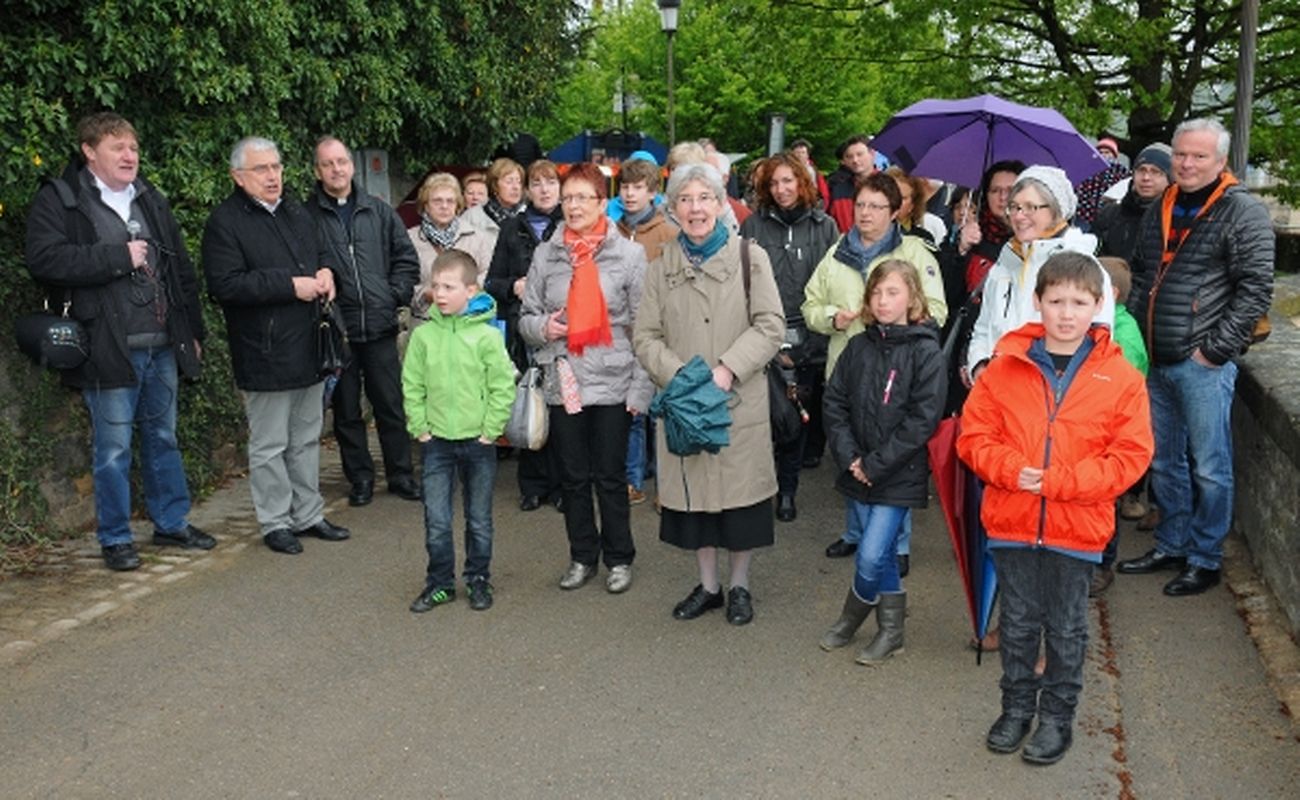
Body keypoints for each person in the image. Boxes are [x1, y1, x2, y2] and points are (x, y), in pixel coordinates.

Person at [958, 252, 1152, 765]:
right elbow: (973, 437)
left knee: (1066, 628)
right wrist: (1005, 469)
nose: (1067, 313)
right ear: (1038, 303)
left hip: (1078, 526)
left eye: (1080, 302)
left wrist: (1060, 482)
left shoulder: (1121, 378)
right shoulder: (1003, 369)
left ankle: (1057, 718)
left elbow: (1130, 457)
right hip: (1013, 520)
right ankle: (1016, 708)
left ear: (1098, 307)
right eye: (1057, 301)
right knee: (1019, 623)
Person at [25, 112, 213, 571]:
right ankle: (115, 538)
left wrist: (191, 331)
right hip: (106, 345)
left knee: (164, 438)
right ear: (90, 152)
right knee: (113, 449)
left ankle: (171, 523)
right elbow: (44, 259)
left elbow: (180, 269)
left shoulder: (149, 197)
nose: (130, 156)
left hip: (162, 343)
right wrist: (116, 257)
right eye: (117, 148)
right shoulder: (62, 199)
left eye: (133, 147)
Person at [1117, 118, 1275, 596]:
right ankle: (1172, 543)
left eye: (1198, 156)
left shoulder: (1241, 211)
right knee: (1164, 461)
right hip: (1157, 357)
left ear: (1221, 161)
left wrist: (1214, 351)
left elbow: (1255, 291)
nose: (1185, 163)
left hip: (1200, 361)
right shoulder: (1161, 204)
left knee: (1209, 465)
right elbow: (1143, 273)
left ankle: (1205, 558)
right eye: (1180, 155)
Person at [634, 162, 785, 625]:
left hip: (738, 402)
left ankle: (739, 587)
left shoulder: (749, 258)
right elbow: (644, 337)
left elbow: (771, 325)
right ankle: (709, 587)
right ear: (673, 208)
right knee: (694, 503)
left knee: (740, 502)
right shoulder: (660, 269)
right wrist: (681, 377)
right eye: (685, 199)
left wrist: (726, 370)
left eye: (704, 198)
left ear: (721, 205)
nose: (695, 208)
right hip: (684, 406)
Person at [202, 136, 350, 555]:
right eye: (262, 169)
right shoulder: (225, 222)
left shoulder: (296, 212)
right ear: (238, 177)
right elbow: (225, 285)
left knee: (306, 437)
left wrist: (326, 273)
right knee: (269, 444)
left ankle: (308, 514)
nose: (273, 176)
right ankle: (275, 522)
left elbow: (322, 253)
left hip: (308, 345)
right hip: (263, 350)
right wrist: (289, 286)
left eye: (277, 167)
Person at [518, 162, 653, 594]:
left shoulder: (628, 255)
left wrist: (640, 389)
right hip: (565, 378)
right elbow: (526, 318)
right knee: (573, 476)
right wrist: (545, 329)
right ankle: (581, 556)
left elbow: (644, 328)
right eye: (567, 197)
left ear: (601, 203)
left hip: (614, 380)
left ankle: (619, 558)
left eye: (583, 197)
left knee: (610, 476)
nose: (573, 206)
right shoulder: (547, 252)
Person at [802, 172, 946, 561]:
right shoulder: (836, 252)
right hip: (847, 369)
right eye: (860, 204)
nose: (864, 213)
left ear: (895, 211)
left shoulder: (914, 254)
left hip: (897, 377)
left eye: (875, 206)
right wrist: (832, 318)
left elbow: (940, 311)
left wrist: (901, 325)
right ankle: (854, 531)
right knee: (849, 452)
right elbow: (809, 305)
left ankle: (895, 545)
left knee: (892, 460)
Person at [819, 260, 946, 665]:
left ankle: (850, 618)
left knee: (872, 554)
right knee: (885, 555)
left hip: (897, 473)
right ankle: (892, 631)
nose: (883, 300)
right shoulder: (858, 346)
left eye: (893, 292)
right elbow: (834, 402)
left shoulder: (926, 352)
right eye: (876, 293)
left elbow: (922, 421)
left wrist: (874, 464)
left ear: (912, 298)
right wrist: (850, 457)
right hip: (857, 467)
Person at [308, 136, 421, 508]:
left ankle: (401, 474)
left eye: (341, 161)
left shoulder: (378, 211)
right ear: (317, 170)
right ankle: (359, 478)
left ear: (352, 166)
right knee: (346, 411)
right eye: (328, 164)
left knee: (389, 403)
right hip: (338, 329)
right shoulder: (306, 217)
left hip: (379, 324)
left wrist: (393, 295)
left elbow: (405, 258)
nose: (336, 169)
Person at [402, 249, 516, 614]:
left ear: (471, 290)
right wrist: (419, 426)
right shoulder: (423, 337)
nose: (442, 293)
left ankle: (478, 578)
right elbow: (411, 384)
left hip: (478, 442)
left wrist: (491, 430)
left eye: (450, 286)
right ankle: (439, 584)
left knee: (479, 519)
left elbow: (502, 385)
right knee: (436, 519)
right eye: (436, 286)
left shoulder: (486, 337)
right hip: (436, 442)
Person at [740, 151, 839, 522]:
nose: (782, 189)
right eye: (774, 182)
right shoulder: (753, 226)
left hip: (808, 335)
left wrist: (818, 338)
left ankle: (788, 490)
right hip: (762, 333)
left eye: (788, 181)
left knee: (796, 418)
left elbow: (831, 284)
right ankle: (759, 489)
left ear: (802, 182)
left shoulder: (824, 226)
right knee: (761, 417)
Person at [965, 166, 1112, 381]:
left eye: (1030, 207)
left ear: (1055, 209)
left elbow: (1096, 343)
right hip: (996, 391)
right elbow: (984, 328)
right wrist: (979, 366)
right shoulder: (1004, 265)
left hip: (1049, 396)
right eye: (1014, 207)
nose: (1019, 216)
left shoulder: (1084, 268)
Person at [484, 158, 565, 512]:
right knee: (528, 405)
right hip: (523, 328)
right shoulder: (511, 228)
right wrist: (512, 286)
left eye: (550, 182)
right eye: (537, 183)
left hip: (563, 329)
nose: (544, 189)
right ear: (528, 190)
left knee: (562, 412)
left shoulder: (570, 224)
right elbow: (491, 283)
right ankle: (532, 485)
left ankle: (564, 485)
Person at [615, 156, 678, 506]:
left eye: (637, 188)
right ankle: (632, 480)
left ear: (653, 193)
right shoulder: (612, 230)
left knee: (660, 411)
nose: (629, 194)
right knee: (633, 412)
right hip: (622, 336)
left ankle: (666, 486)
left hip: (659, 335)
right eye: (625, 187)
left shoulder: (669, 233)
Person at [1090, 256, 1150, 596]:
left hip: (1109, 434)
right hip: (1102, 430)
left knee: (1105, 502)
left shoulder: (1122, 337)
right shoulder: (1116, 326)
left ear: (1109, 294)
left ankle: (1103, 565)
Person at [407, 172, 496, 294]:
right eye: (437, 201)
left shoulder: (477, 237)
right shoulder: (410, 239)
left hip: (469, 310)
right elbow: (404, 280)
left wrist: (466, 292)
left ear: (457, 205)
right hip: (427, 311)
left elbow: (490, 272)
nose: (444, 206)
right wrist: (426, 294)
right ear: (426, 205)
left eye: (450, 201)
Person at [1093, 144, 1173, 262]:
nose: (1146, 177)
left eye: (1155, 172)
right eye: (1141, 170)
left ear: (1170, 178)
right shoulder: (1109, 215)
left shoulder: (1177, 219)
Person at [458, 157, 527, 261]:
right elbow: (460, 259)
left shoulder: (527, 215)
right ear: (495, 186)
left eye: (519, 182)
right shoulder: (472, 217)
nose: (516, 187)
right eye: (509, 181)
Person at [825, 135, 878, 233]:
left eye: (859, 154)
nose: (855, 160)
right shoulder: (837, 188)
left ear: (872, 153)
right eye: (849, 156)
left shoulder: (889, 185)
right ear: (844, 161)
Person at [790, 138, 831, 210]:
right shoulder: (787, 169)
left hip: (810, 203)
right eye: (797, 152)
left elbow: (822, 191)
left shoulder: (813, 170)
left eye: (803, 152)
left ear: (807, 155)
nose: (800, 155)